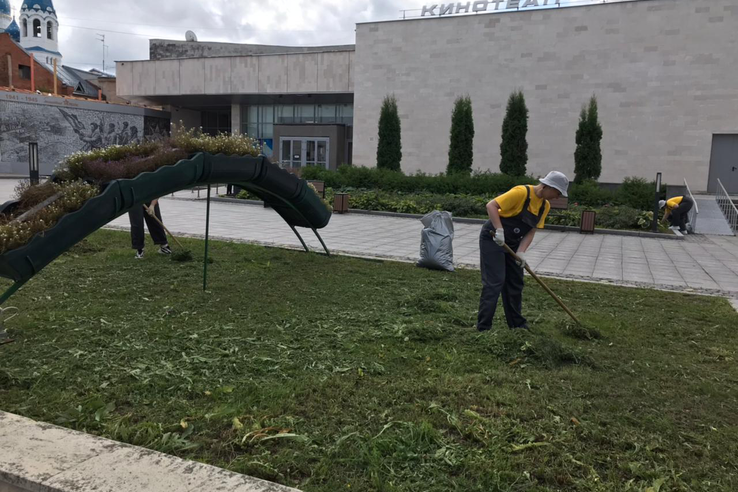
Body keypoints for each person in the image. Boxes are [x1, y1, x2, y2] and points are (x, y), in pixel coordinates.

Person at [477, 171, 570, 332]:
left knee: (515, 282)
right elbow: (491, 205)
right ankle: (484, 327)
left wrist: (521, 252)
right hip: (493, 238)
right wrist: (499, 230)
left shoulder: (544, 206)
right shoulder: (521, 192)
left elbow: (531, 231)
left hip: (513, 243)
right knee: (495, 282)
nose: (557, 197)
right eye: (557, 192)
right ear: (548, 186)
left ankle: (517, 325)